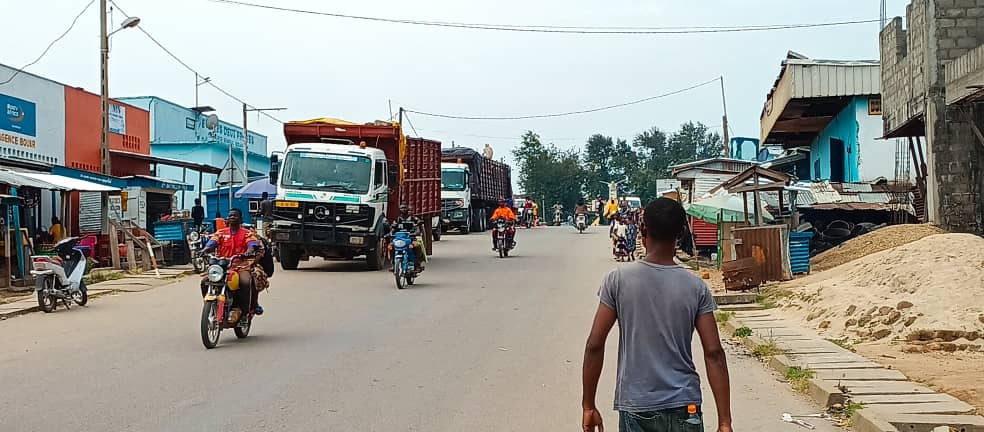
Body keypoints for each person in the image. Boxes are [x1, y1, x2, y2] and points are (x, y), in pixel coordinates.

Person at [582, 198, 732, 432]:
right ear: (680, 233)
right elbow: (714, 353)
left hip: (637, 405)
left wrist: (588, 405)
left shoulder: (618, 280)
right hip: (685, 405)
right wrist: (725, 422)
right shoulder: (696, 287)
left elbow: (594, 345)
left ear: (643, 229)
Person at [200, 208, 268, 324]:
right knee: (205, 281)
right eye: (230, 215)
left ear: (241, 219)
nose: (232, 217)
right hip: (222, 267)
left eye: (235, 216)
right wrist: (205, 249)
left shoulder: (247, 233)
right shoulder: (221, 232)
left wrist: (249, 251)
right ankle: (210, 306)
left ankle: (244, 313)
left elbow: (252, 244)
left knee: (245, 282)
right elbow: (212, 242)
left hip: (242, 266)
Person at [390, 205, 426, 271]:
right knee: (391, 246)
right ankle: (393, 264)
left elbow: (418, 228)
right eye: (402, 208)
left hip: (411, 238)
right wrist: (390, 234)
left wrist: (416, 233)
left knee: (417, 246)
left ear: (408, 209)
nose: (403, 209)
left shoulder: (414, 219)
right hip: (399, 239)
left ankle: (417, 264)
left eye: (405, 208)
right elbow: (393, 229)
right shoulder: (397, 220)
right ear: (399, 209)